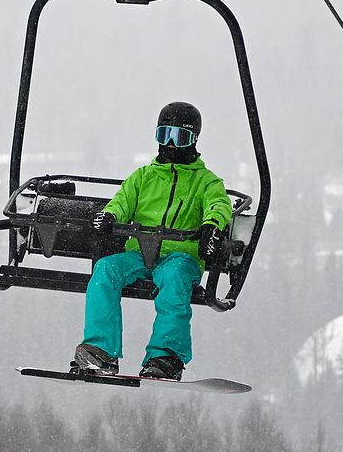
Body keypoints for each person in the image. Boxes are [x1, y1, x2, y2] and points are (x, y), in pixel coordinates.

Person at [69, 102, 233, 381]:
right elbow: (122, 202)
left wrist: (212, 226)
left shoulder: (206, 182)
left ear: (194, 140)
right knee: (106, 269)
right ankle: (100, 350)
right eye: (164, 135)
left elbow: (219, 204)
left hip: (180, 257)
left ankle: (165, 356)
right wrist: (109, 216)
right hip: (140, 254)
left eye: (180, 137)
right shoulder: (143, 177)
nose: (170, 145)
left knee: (175, 279)